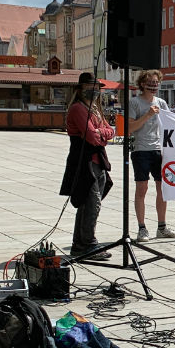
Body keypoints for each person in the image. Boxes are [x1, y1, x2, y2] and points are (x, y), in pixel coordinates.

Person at [60, 73, 115, 260]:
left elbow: (111, 131)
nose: (94, 91)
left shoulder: (95, 109)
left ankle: (80, 244)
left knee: (89, 204)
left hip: (97, 161)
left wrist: (101, 132)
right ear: (81, 88)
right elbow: (92, 137)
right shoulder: (78, 108)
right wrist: (101, 134)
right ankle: (87, 244)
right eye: (90, 87)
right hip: (84, 162)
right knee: (91, 204)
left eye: (97, 88)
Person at [127, 69, 175, 244]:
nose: (153, 86)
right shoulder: (134, 102)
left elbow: (170, 125)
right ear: (142, 84)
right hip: (141, 150)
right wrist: (148, 115)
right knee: (142, 189)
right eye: (150, 83)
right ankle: (142, 228)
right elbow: (129, 128)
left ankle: (162, 227)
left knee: (163, 189)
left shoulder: (162, 102)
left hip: (159, 150)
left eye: (156, 83)